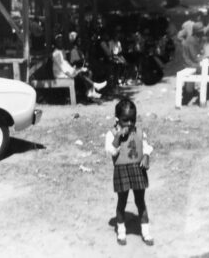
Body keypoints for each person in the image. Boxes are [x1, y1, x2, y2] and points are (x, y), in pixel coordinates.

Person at [105, 98, 154, 246]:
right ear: (117, 119)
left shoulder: (138, 131)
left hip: (137, 170)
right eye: (125, 120)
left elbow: (146, 146)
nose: (130, 124)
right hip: (122, 170)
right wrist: (118, 136)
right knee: (122, 201)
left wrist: (146, 156)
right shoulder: (112, 134)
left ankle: (145, 232)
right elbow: (111, 151)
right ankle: (121, 231)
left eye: (132, 120)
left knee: (140, 201)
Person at [52, 34, 106, 99]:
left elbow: (66, 63)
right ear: (56, 43)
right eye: (59, 42)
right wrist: (73, 73)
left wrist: (75, 69)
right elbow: (62, 67)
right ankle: (94, 86)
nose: (61, 43)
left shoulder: (62, 50)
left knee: (86, 71)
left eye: (61, 41)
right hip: (60, 75)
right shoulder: (56, 53)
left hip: (66, 72)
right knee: (80, 73)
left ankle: (91, 91)